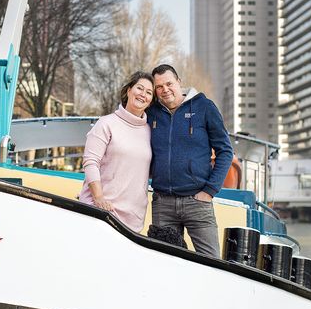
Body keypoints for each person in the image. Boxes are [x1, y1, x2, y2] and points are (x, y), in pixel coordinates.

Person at [147, 64, 233, 258]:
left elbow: (225, 150)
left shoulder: (204, 107)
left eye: (169, 83)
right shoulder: (152, 113)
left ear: (179, 82)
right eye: (159, 87)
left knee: (211, 263)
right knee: (164, 264)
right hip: (163, 203)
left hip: (197, 202)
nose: (164, 90)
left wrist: (210, 191)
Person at [79, 71, 154, 232]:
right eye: (139, 88)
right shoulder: (106, 123)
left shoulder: (150, 131)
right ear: (128, 90)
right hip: (101, 211)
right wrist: (98, 198)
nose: (143, 94)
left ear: (151, 101)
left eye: (149, 92)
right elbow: (90, 162)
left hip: (132, 220)